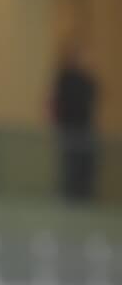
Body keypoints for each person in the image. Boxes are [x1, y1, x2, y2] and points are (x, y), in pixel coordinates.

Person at [51, 40, 101, 204]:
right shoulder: (64, 78)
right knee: (70, 169)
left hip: (85, 131)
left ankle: (85, 199)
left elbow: (94, 96)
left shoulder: (87, 79)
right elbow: (56, 103)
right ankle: (71, 199)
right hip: (69, 131)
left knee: (85, 170)